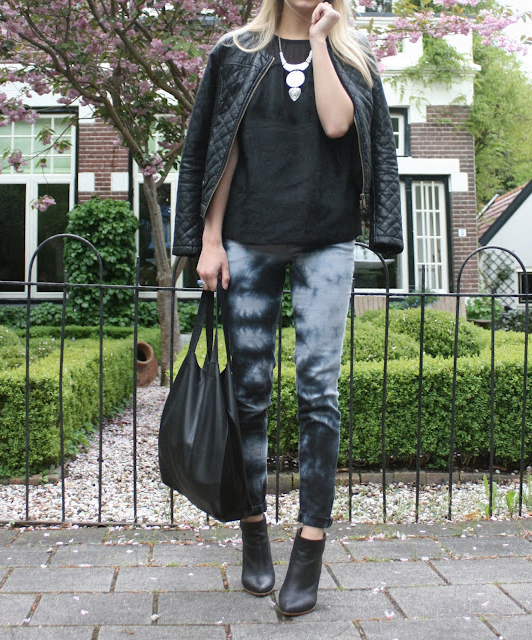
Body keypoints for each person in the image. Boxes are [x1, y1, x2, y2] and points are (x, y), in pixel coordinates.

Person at [172, 0, 403, 616]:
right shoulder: (234, 53)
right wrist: (209, 240)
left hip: (326, 242)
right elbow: (215, 148)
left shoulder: (354, 57)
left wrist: (323, 41)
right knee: (248, 395)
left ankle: (310, 544)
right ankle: (253, 530)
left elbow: (337, 125)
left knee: (318, 394)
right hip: (247, 241)